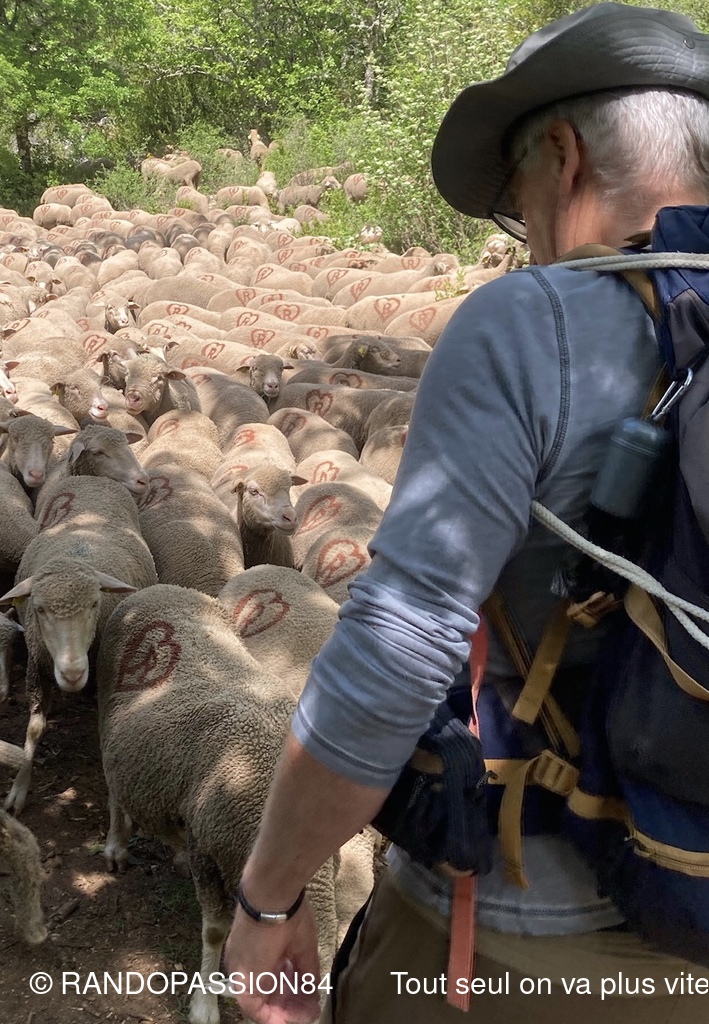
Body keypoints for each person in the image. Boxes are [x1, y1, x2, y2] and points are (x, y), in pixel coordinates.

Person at [224, 4, 709, 1022]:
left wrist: (271, 892)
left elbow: (396, 651)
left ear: (565, 158)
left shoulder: (531, 322)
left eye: (517, 202)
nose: (522, 238)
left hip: (529, 943)